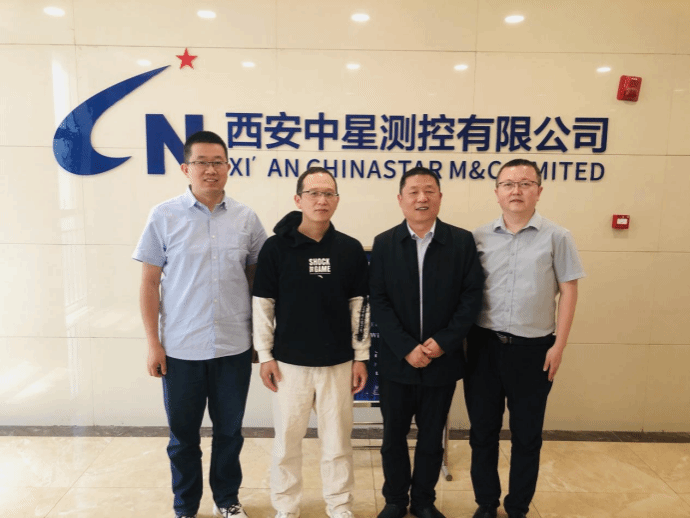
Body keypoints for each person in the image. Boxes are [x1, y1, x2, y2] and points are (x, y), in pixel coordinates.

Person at [133, 130, 267, 518]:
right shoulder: (164, 215)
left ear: (228, 167)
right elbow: (149, 283)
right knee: (183, 438)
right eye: (202, 162)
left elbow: (260, 282)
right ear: (185, 168)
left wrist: (261, 338)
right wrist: (153, 343)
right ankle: (186, 507)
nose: (210, 170)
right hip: (181, 349)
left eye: (218, 162)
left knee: (229, 433)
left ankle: (227, 500)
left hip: (234, 346)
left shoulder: (246, 218)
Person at [466, 158, 585, 518]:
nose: (516, 190)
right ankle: (486, 504)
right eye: (508, 184)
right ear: (497, 192)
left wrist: (558, 346)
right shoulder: (478, 237)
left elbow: (569, 292)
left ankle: (517, 506)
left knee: (527, 436)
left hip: (534, 350)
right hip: (484, 347)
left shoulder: (558, 236)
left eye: (525, 183)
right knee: (482, 433)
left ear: (539, 191)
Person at [252, 167, 370, 518]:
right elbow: (263, 305)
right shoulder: (275, 248)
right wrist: (265, 355)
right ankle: (286, 507)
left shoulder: (349, 248)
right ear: (298, 199)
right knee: (287, 444)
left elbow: (360, 307)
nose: (322, 200)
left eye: (328, 193)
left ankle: (340, 505)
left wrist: (361, 356)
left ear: (337, 200)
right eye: (314, 193)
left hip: (338, 363)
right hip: (289, 366)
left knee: (338, 444)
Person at [369, 167, 484, 518]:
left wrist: (443, 342)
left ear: (440, 197)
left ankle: (423, 501)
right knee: (393, 437)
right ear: (400, 199)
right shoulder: (385, 243)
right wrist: (407, 347)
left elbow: (471, 298)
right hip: (397, 360)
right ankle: (395, 500)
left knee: (432, 437)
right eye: (414, 191)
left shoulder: (461, 242)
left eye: (429, 191)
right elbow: (379, 301)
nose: (422, 198)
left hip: (442, 359)